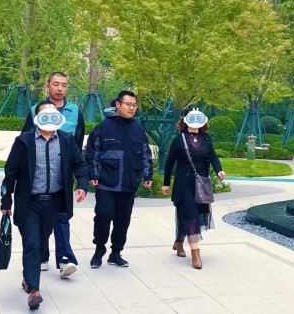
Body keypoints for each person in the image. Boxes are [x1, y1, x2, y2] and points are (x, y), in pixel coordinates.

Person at [1, 101, 88, 310]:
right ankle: (34, 291)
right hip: (29, 203)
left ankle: (27, 277)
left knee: (40, 243)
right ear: (36, 118)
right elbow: (11, 172)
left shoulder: (66, 140)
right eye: (45, 114)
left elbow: (79, 164)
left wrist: (82, 185)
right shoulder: (24, 141)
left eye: (53, 114)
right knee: (31, 243)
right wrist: (6, 200)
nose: (50, 117)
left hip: (54, 203)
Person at [22, 72, 85, 278]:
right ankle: (42, 256)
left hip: (62, 178)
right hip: (38, 179)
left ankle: (65, 258)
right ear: (47, 86)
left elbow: (77, 143)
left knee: (61, 217)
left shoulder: (75, 112)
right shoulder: (36, 110)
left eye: (64, 85)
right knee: (41, 221)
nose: (60, 88)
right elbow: (25, 141)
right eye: (56, 84)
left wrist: (80, 177)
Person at [85, 90, 153, 268]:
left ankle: (116, 253)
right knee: (103, 216)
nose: (131, 108)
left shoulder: (138, 129)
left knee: (123, 220)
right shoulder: (103, 127)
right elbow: (92, 152)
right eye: (128, 104)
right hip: (106, 182)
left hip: (129, 183)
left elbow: (145, 153)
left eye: (134, 105)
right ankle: (99, 249)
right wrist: (92, 174)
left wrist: (148, 174)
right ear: (117, 104)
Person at [162, 108, 226, 269]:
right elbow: (169, 163)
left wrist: (219, 170)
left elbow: (213, 156)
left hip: (201, 184)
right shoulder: (179, 139)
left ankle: (179, 241)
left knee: (193, 215)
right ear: (185, 120)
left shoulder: (206, 138)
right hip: (184, 184)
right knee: (190, 215)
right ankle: (195, 254)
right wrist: (166, 183)